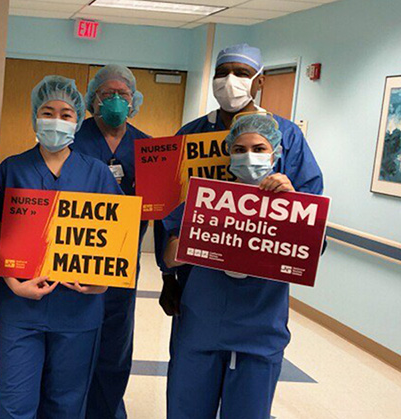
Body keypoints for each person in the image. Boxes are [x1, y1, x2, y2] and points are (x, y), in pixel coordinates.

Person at [157, 43, 324, 337]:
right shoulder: (189, 136)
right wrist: (167, 274)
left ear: (260, 80)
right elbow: (168, 208)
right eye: (222, 73)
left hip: (262, 284)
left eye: (241, 73)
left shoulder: (288, 135)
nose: (230, 81)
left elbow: (310, 215)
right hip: (198, 277)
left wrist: (290, 194)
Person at [162, 113, 320, 418]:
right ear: (229, 153)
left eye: (259, 149)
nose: (249, 156)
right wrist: (202, 238)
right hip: (201, 328)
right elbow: (169, 256)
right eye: (239, 149)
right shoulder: (206, 199)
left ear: (276, 153)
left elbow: (309, 253)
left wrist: (292, 204)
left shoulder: (292, 205)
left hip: (259, 333)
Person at [0, 75, 124, 418]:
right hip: (21, 308)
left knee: (66, 403)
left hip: (78, 309)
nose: (56, 120)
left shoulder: (98, 174)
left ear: (78, 120)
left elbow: (115, 235)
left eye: (66, 114)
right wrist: (11, 282)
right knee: (14, 401)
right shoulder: (12, 169)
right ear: (35, 116)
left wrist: (102, 281)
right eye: (48, 112)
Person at [72, 64, 152, 419]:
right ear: (93, 100)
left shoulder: (148, 149)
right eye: (107, 94)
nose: (116, 100)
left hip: (122, 264)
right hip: (76, 258)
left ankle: (105, 412)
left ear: (134, 101)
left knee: (114, 346)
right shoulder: (72, 139)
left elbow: (164, 211)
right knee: (71, 343)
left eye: (123, 95)